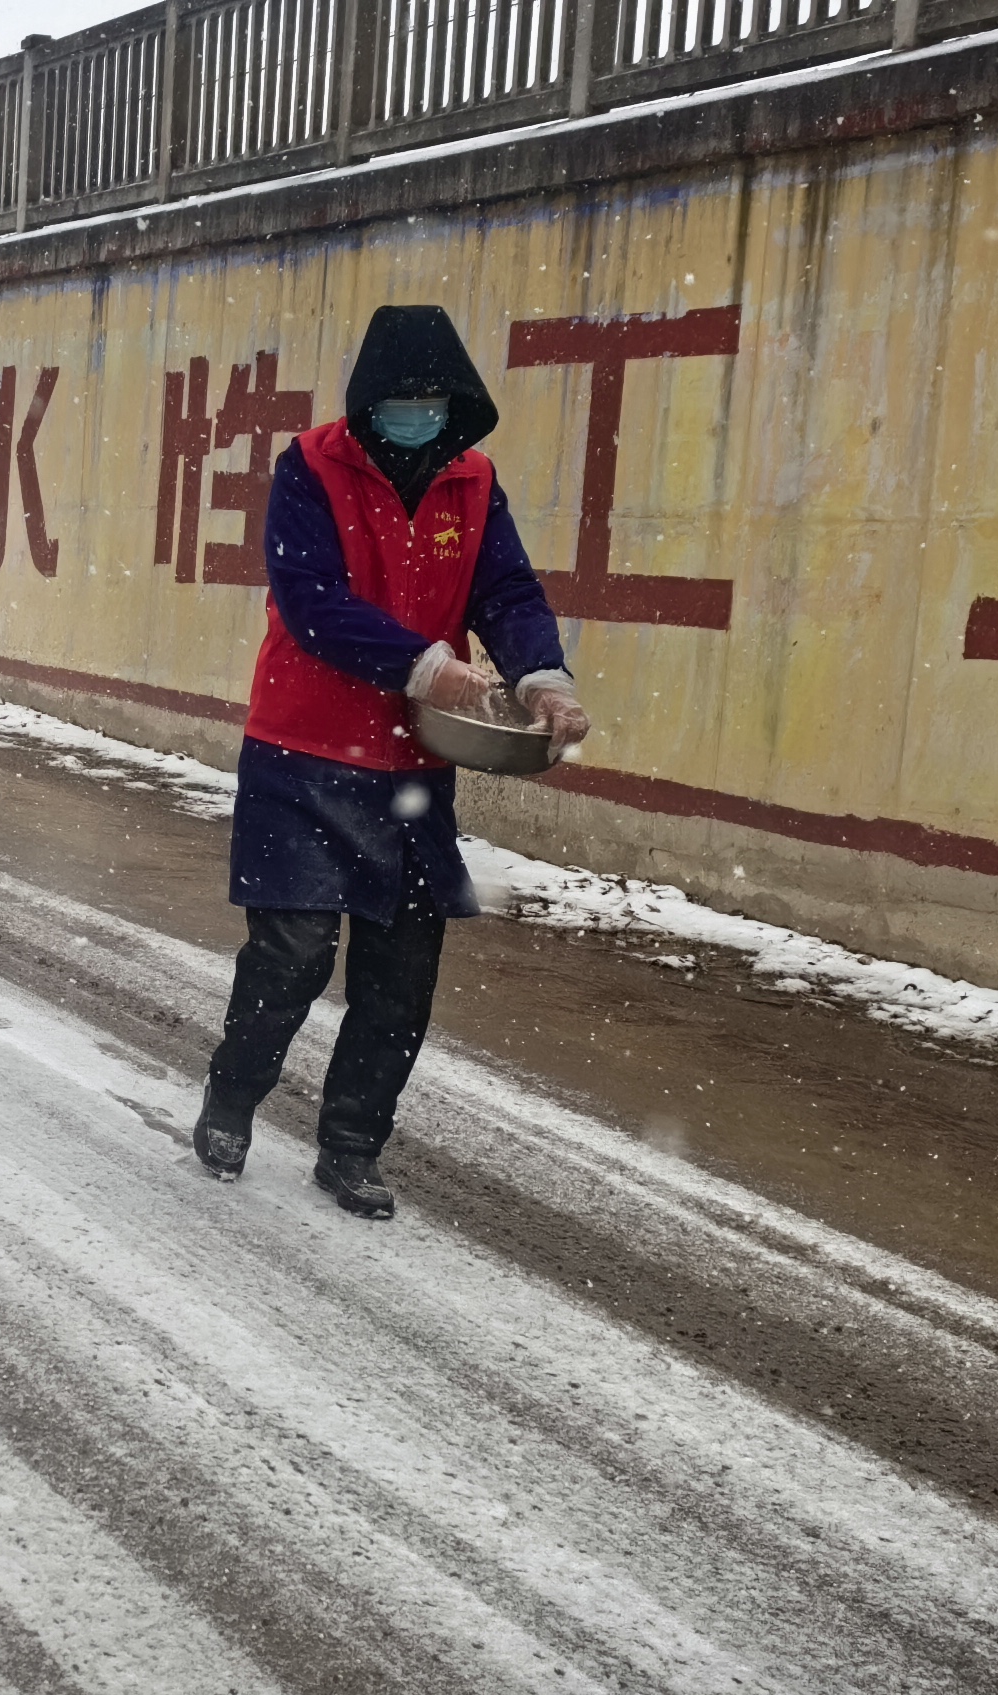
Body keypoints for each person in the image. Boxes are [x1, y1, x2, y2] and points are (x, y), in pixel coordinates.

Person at [194, 305, 593, 1219]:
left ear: (459, 405)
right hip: (300, 749)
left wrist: (542, 679)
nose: (418, 414)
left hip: (412, 764)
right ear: (369, 403)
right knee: (291, 955)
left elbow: (506, 590)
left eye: (434, 400)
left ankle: (351, 1147)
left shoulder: (472, 480)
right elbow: (311, 600)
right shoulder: (312, 470)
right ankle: (232, 1100)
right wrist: (425, 667)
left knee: (402, 968)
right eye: (402, 400)